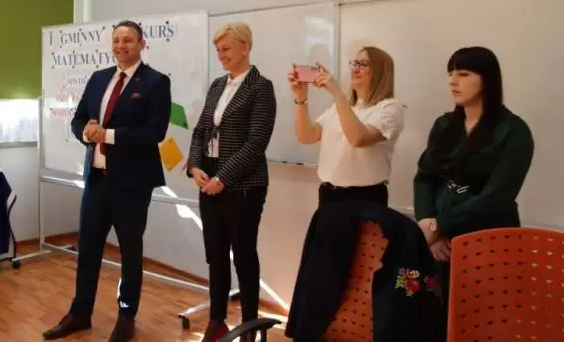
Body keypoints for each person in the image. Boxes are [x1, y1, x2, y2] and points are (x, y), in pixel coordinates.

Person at [43, 20, 172, 342]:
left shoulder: (156, 82)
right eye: (116, 40)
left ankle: (126, 317)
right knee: (88, 249)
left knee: (130, 253)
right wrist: (86, 133)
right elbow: (78, 119)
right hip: (96, 181)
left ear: (142, 44)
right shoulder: (99, 78)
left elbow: (155, 132)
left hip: (132, 185)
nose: (120, 46)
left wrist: (108, 135)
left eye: (127, 40)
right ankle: (80, 313)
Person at [413, 46, 534, 335]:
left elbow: (497, 196)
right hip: (439, 244)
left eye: (464, 74)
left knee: (480, 324)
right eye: (450, 74)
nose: (453, 81)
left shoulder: (513, 131)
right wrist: (428, 223)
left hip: (488, 241)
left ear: (487, 79)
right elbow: (425, 177)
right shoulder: (445, 124)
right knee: (433, 318)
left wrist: (440, 225)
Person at [186, 22, 277, 342]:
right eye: (218, 49)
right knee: (215, 254)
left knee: (243, 253)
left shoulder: (261, 87)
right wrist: (194, 166)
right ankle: (216, 321)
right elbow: (200, 131)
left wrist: (223, 177)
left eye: (226, 48)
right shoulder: (217, 85)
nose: (221, 54)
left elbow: (257, 142)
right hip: (209, 179)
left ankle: (250, 324)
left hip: (243, 185)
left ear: (245, 47)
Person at [288, 46, 405, 207]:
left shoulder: (391, 108)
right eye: (354, 63)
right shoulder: (343, 106)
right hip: (329, 195)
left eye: (363, 64)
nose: (356, 69)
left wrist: (337, 93)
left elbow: (357, 138)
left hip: (365, 198)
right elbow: (306, 136)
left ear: (381, 71)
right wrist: (301, 98)